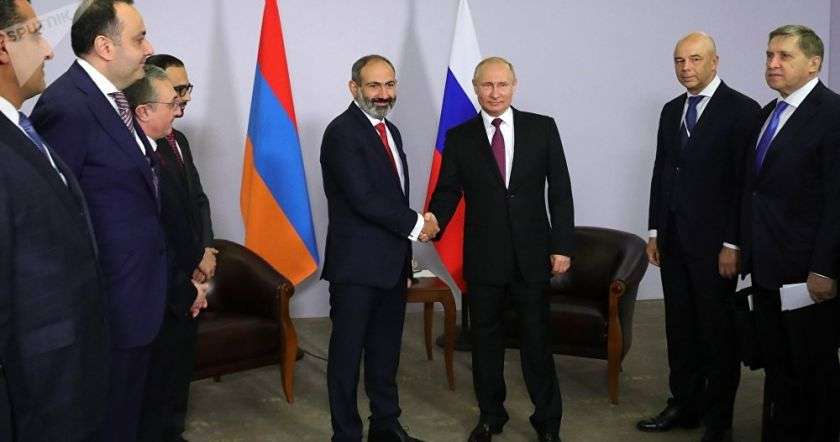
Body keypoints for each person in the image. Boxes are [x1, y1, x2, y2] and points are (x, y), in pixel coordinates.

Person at [29, 1, 163, 440]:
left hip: (136, 300)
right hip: (104, 310)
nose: (149, 48)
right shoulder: (67, 106)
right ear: (105, 46)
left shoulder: (115, 101)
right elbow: (55, 219)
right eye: (139, 38)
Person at [427, 56, 573, 442]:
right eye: (487, 85)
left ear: (514, 86)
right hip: (484, 257)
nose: (495, 93)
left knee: (536, 343)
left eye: (502, 85)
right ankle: (491, 417)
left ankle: (548, 422)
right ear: (476, 88)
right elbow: (448, 190)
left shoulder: (542, 128)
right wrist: (434, 221)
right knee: (485, 344)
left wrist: (562, 245)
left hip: (532, 256)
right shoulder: (460, 137)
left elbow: (560, 190)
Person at [640, 32, 759, 442]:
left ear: (714, 61)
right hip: (673, 241)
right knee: (680, 329)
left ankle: (718, 420)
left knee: (717, 335)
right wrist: (654, 230)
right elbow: (661, 171)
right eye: (679, 61)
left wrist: (734, 243)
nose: (685, 68)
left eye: (694, 59)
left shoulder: (742, 110)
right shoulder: (672, 109)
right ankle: (684, 405)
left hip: (716, 247)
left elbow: (744, 185)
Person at [0, 1, 109, 440]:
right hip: (32, 394)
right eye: (35, 34)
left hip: (63, 379)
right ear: (3, 47)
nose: (48, 50)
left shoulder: (22, 131)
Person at [320, 54, 435, 442]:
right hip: (356, 269)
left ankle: (385, 426)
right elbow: (364, 198)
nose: (383, 94)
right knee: (347, 358)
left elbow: (392, 197)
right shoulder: (342, 133)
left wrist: (406, 250)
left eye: (389, 84)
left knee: (385, 354)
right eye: (374, 85)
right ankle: (346, 434)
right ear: (354, 88)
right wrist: (418, 225)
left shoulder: (391, 131)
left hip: (391, 266)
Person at [740, 24, 840, 441]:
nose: (773, 63)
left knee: (813, 371)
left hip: (807, 273)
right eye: (769, 55)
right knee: (779, 368)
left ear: (814, 63)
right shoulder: (768, 113)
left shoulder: (832, 115)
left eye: (784, 56)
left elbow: (837, 200)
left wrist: (825, 268)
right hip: (766, 267)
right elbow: (757, 191)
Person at [137, 54, 215, 442]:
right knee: (159, 369)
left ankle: (174, 429)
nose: (184, 96)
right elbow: (160, 221)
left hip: (194, 270)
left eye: (186, 87)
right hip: (164, 278)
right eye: (177, 89)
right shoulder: (145, 148)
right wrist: (189, 260)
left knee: (182, 361)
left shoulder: (178, 140)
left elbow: (196, 200)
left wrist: (206, 251)